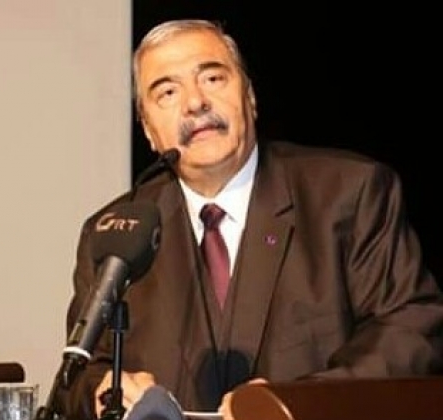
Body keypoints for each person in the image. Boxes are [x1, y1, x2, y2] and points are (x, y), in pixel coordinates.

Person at [59, 18, 443, 420]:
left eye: (212, 78)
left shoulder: (348, 194)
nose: (195, 102)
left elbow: (410, 330)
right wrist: (102, 390)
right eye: (168, 92)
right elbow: (79, 372)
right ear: (149, 131)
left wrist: (292, 403)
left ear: (251, 97)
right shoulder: (117, 233)